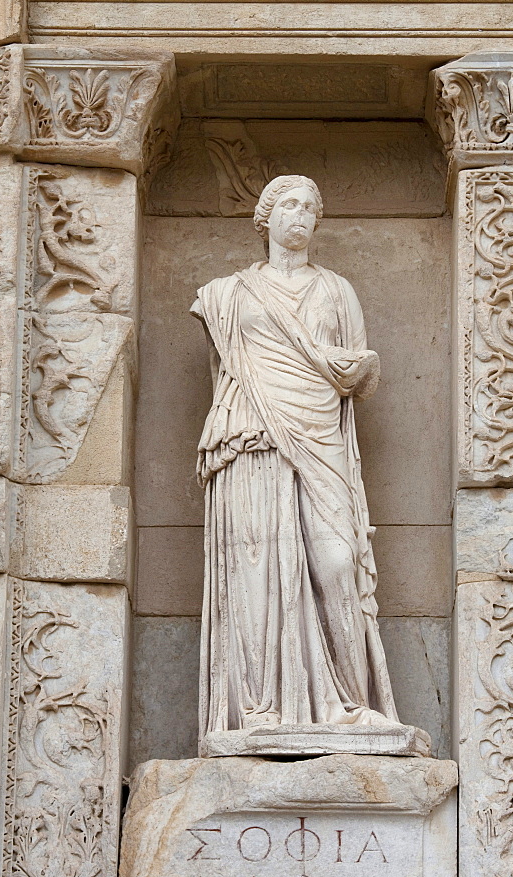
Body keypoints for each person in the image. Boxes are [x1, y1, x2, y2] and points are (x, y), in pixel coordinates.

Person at [191, 174, 400, 739]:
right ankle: (262, 710)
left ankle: (348, 705)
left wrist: (360, 367)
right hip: (252, 436)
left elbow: (360, 372)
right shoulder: (226, 293)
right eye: (288, 204)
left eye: (310, 206)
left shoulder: (337, 291)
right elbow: (223, 371)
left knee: (336, 562)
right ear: (266, 217)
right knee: (256, 570)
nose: (300, 215)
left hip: (321, 437)